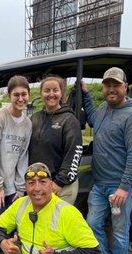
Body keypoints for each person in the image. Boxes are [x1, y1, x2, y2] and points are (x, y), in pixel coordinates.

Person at [81, 67, 132, 254]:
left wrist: (124, 187)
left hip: (119, 187)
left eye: (115, 85)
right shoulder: (103, 109)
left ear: (125, 86)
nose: (111, 89)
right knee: (92, 224)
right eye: (107, 85)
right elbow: (92, 118)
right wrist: (85, 94)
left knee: (120, 229)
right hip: (100, 184)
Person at [0, 75, 32, 218]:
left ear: (29, 95)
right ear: (9, 95)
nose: (20, 99)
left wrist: (21, 189)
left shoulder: (27, 123)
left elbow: (23, 156)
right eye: (16, 94)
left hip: (13, 188)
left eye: (24, 94)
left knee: (17, 229)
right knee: (2, 229)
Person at [29, 75, 83, 205]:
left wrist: (59, 182)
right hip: (38, 185)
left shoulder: (69, 120)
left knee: (56, 224)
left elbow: (74, 154)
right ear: (41, 93)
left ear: (61, 93)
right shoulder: (34, 119)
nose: (51, 94)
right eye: (47, 90)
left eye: (55, 90)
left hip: (61, 187)